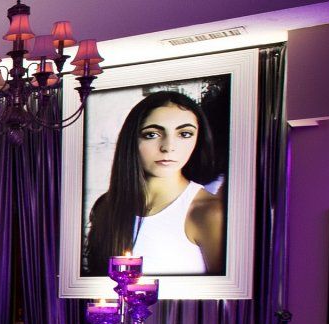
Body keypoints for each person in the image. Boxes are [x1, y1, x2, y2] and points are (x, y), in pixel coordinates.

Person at [84, 89, 224, 276]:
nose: (168, 147)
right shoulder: (106, 207)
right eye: (152, 134)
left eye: (184, 134)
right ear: (132, 140)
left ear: (198, 140)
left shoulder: (209, 213)